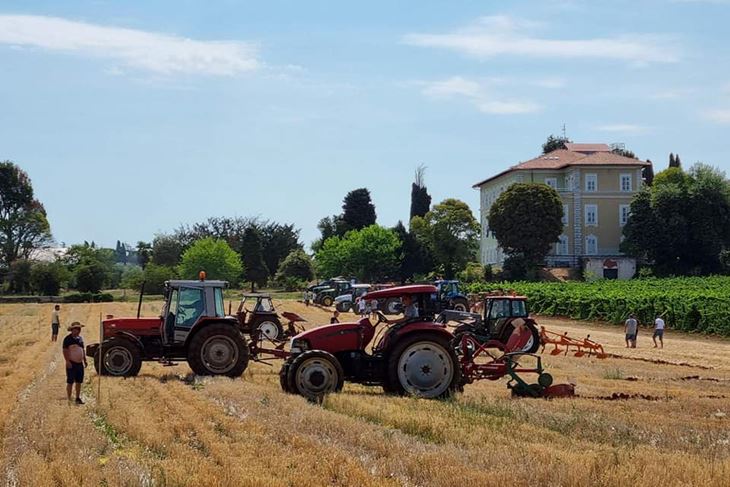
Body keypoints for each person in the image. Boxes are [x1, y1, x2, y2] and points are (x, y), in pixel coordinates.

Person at [62, 322, 87, 404]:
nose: (78, 331)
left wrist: (85, 360)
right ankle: (69, 398)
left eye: (79, 329)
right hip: (71, 363)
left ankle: (77, 398)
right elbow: (65, 351)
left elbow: (82, 350)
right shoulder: (67, 339)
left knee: (79, 381)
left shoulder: (80, 339)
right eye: (76, 329)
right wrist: (67, 361)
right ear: (72, 330)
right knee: (70, 381)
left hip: (80, 364)